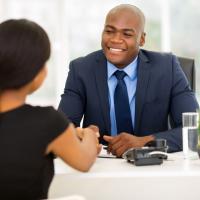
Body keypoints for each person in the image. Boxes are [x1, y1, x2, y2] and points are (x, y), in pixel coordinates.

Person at [58, 4, 199, 157]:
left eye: (127, 34)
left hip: (152, 166)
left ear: (142, 39)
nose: (115, 40)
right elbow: (61, 130)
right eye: (109, 31)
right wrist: (81, 134)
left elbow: (195, 130)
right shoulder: (81, 69)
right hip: (100, 164)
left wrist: (145, 142)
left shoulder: (167, 67)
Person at [0, 19, 101, 199]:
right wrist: (89, 135)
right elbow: (84, 160)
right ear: (36, 72)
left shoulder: (50, 125)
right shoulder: (47, 122)